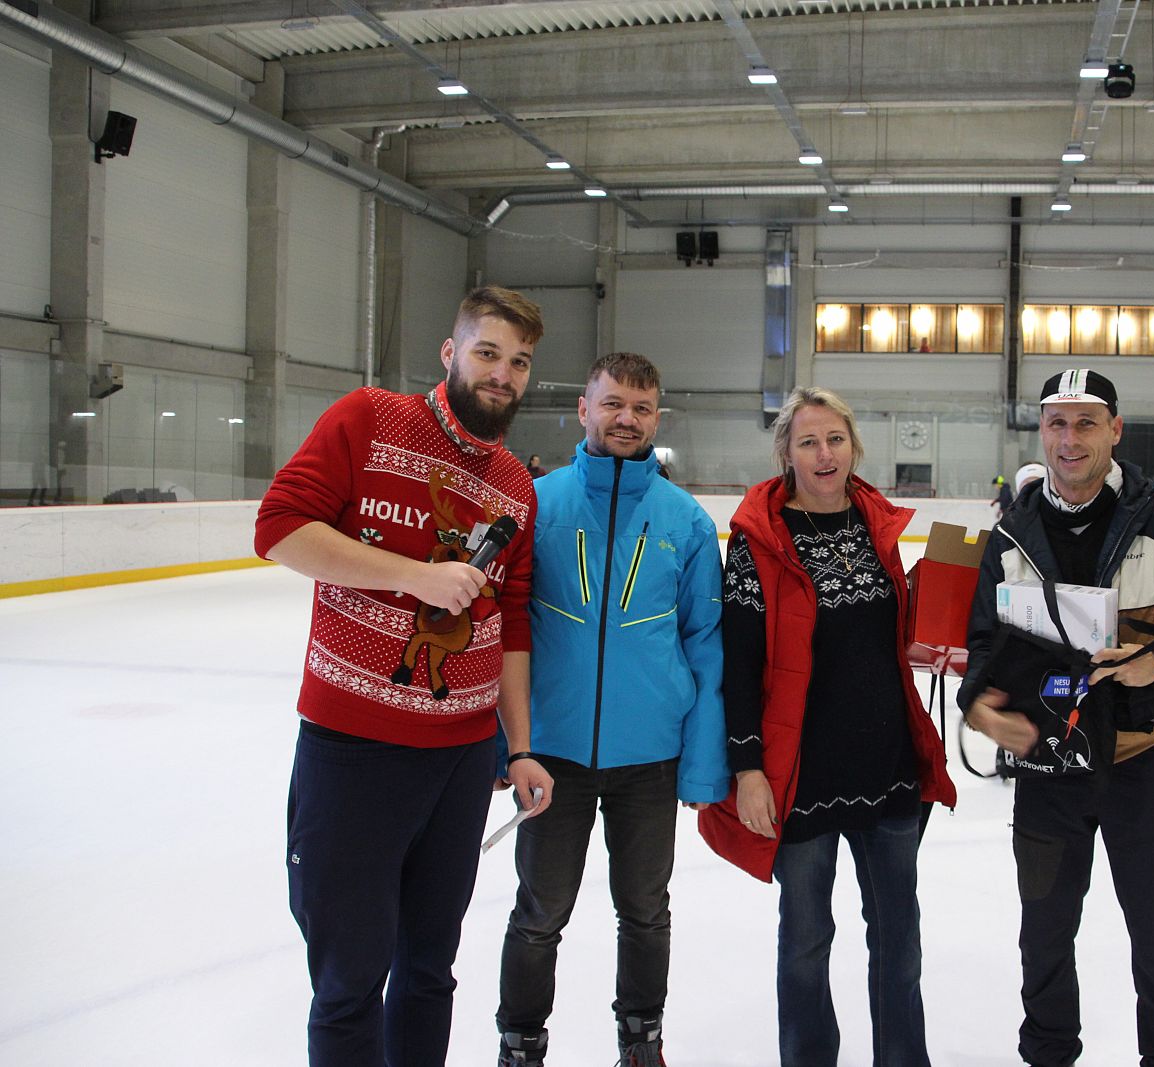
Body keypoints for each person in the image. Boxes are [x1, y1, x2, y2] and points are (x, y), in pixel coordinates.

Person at [254, 286, 554, 1067]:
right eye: (488, 353)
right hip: (354, 748)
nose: (503, 374)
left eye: (520, 362)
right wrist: (413, 577)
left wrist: (519, 746)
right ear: (451, 353)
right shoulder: (369, 418)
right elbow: (280, 528)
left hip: (460, 760)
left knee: (428, 970)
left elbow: (510, 622)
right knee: (350, 979)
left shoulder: (515, 484)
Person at [958, 369, 1154, 1067]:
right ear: (1041, 432)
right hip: (1048, 771)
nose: (1070, 439)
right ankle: (1049, 1054)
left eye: (1086, 422)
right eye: (1057, 423)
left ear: (1115, 430)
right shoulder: (1011, 532)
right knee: (1044, 937)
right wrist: (977, 705)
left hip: (1141, 767)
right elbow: (982, 644)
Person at [698, 387, 958, 1067]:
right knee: (806, 943)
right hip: (802, 775)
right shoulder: (758, 543)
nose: (823, 453)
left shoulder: (877, 526)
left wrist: (936, 636)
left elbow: (885, 638)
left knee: (899, 940)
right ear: (785, 452)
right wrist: (748, 767)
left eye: (835, 439)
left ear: (853, 447)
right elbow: (739, 662)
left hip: (887, 766)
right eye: (808, 441)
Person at [496, 352, 728, 1067]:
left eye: (642, 407)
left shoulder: (686, 521)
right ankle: (521, 1041)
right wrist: (507, 744)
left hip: (650, 758)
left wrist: (702, 762)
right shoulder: (538, 502)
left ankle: (641, 1038)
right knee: (539, 913)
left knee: (646, 911)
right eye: (613, 403)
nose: (628, 418)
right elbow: (503, 629)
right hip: (552, 753)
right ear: (584, 409)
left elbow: (706, 643)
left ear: (657, 418)